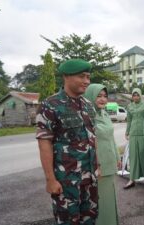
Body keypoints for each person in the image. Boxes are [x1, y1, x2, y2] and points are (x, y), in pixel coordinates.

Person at [36, 59, 99, 224]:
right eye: (82, 76)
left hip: (90, 179)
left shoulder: (88, 105)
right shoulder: (50, 105)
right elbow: (44, 143)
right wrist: (50, 180)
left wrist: (97, 165)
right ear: (66, 77)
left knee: (90, 219)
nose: (87, 81)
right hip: (66, 181)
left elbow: (93, 137)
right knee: (68, 221)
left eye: (88, 77)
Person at [84, 84, 120, 225]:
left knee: (109, 197)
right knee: (99, 200)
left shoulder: (104, 114)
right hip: (97, 165)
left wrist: (117, 157)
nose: (103, 99)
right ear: (90, 96)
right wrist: (94, 164)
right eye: (99, 96)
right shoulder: (87, 116)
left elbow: (111, 138)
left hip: (109, 160)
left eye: (105, 96)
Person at [124, 88, 144, 189]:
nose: (135, 97)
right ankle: (132, 179)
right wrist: (127, 132)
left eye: (137, 95)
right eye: (134, 95)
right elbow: (129, 120)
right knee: (133, 156)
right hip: (133, 133)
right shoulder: (129, 106)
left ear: (140, 95)